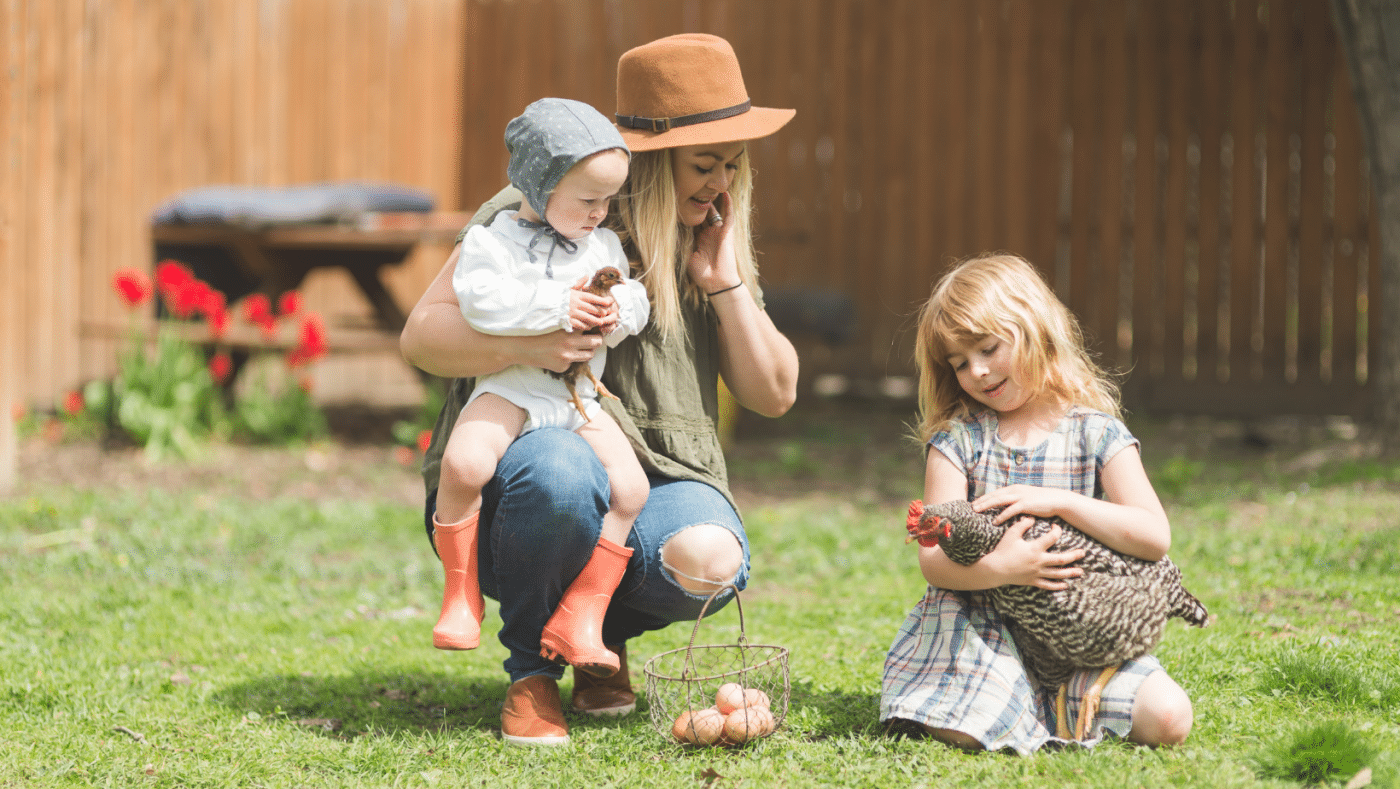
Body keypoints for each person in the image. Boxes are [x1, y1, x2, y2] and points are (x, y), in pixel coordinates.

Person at [400, 33, 798, 746]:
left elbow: (774, 392)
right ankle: (531, 674)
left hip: (653, 484)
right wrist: (528, 344)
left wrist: (725, 280)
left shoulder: (708, 233)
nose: (720, 183)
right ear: (648, 164)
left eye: (733, 166)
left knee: (712, 556)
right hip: (527, 468)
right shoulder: (538, 205)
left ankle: (596, 635)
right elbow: (422, 336)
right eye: (704, 165)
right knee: (559, 472)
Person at [880, 254, 1194, 754]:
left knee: (1171, 718)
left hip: (1077, 634)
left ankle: (1048, 701)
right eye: (959, 363)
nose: (977, 371)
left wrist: (1061, 502)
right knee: (969, 728)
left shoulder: (1096, 432)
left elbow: (1154, 536)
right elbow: (934, 561)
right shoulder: (958, 441)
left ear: (1034, 327)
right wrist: (1003, 568)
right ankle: (1016, 699)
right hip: (982, 630)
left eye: (987, 348)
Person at [431, 98, 652, 684]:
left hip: (575, 394)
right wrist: (557, 307)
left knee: (630, 489)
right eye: (587, 200)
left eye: (608, 201)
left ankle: (584, 611)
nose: (600, 213)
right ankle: (462, 594)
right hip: (513, 384)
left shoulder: (600, 246)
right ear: (539, 182)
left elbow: (636, 298)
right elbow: (480, 300)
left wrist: (615, 312)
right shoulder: (492, 241)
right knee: (463, 462)